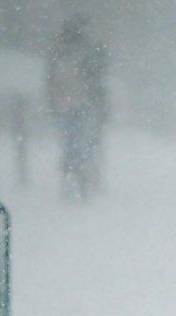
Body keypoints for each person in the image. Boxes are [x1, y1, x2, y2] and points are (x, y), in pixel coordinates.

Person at [46, 16, 108, 199]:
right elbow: (96, 80)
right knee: (81, 145)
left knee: (73, 145)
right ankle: (79, 178)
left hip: (68, 106)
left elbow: (51, 80)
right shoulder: (87, 53)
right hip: (80, 105)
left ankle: (74, 178)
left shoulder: (62, 53)